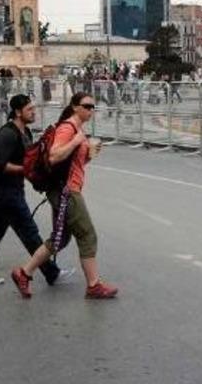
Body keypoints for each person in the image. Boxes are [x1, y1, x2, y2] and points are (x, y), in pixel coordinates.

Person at [10, 92, 118, 299]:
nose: (91, 110)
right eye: (87, 106)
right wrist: (77, 141)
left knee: (60, 239)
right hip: (66, 191)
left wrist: (88, 154)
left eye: (93, 107)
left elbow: (71, 163)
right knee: (87, 234)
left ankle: (24, 273)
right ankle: (94, 285)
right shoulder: (68, 128)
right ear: (75, 107)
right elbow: (54, 155)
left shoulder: (77, 128)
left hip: (64, 188)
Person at [0, 95, 74, 286]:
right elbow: (0, 165)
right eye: (29, 109)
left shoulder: (25, 132)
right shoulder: (8, 134)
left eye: (34, 108)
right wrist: (28, 170)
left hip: (11, 191)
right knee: (30, 233)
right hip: (7, 193)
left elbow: (28, 160)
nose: (34, 112)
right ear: (18, 112)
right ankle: (51, 272)